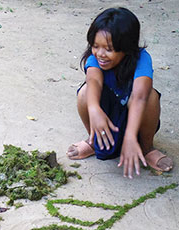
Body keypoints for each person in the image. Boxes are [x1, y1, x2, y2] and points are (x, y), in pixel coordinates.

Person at [66, 7, 173, 179]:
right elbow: (93, 80)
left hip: (135, 119)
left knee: (151, 95)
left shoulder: (141, 58)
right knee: (86, 92)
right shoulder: (95, 59)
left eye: (109, 49)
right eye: (95, 46)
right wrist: (94, 109)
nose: (100, 54)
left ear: (126, 47)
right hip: (106, 122)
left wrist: (131, 135)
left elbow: (140, 97)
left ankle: (147, 148)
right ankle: (93, 141)